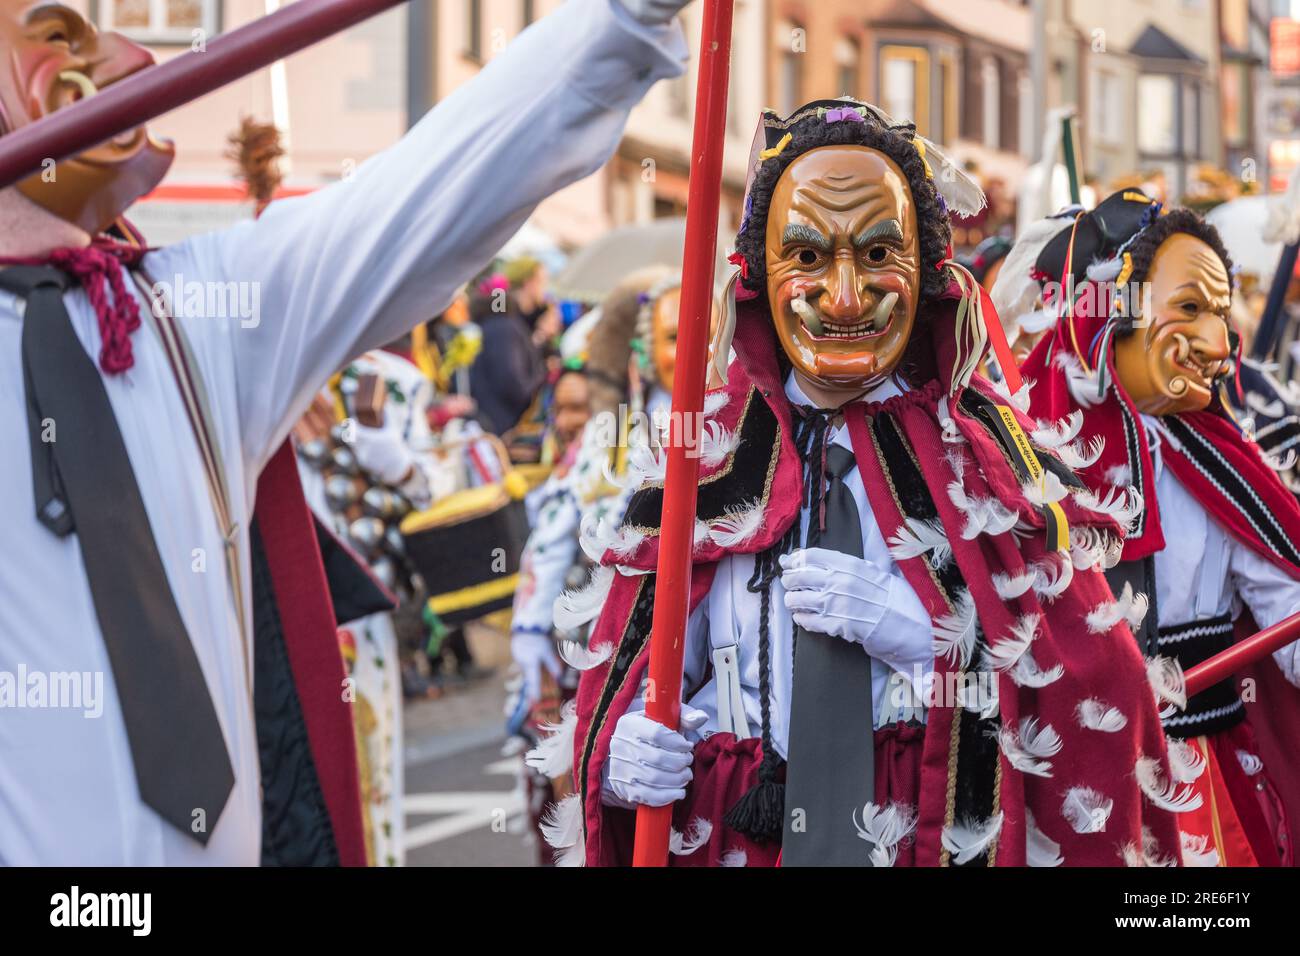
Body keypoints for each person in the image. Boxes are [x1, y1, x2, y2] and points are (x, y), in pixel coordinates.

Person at [0, 0, 691, 865]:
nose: (121, 56)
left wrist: (623, 19)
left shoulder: (195, 314)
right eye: (58, 39)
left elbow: (439, 181)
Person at [547, 99, 1188, 867]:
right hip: (735, 835)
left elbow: (1103, 697)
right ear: (759, 274)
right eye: (809, 258)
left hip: (922, 836)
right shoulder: (701, 461)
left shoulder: (991, 461)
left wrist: (935, 646)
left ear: (928, 273)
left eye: (880, 253)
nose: (845, 297)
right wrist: (621, 760)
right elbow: (624, 683)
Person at [1018, 192, 1300, 866]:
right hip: (1070, 784)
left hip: (1203, 781)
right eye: (1190, 310)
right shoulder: (1022, 452)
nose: (1218, 344)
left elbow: (1284, 604)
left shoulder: (1222, 462)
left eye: (1222, 315)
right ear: (1112, 313)